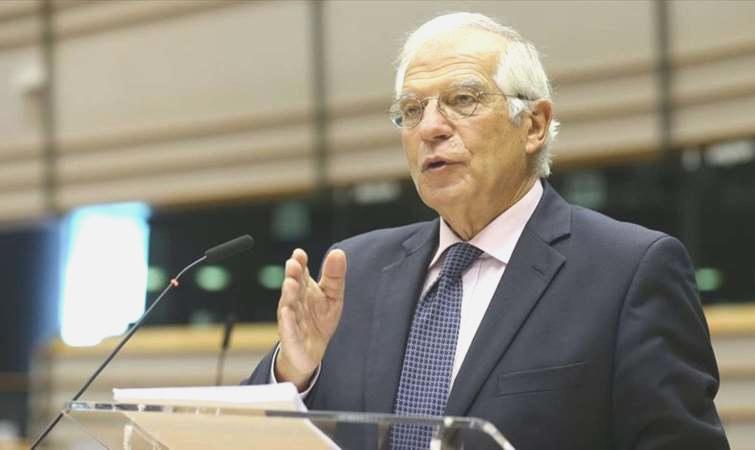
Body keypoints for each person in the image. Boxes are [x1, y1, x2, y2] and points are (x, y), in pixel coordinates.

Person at [245, 12, 729, 450]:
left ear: (534, 125)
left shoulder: (628, 271)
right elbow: (243, 434)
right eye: (411, 110)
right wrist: (295, 370)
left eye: (462, 100)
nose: (430, 128)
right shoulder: (354, 271)